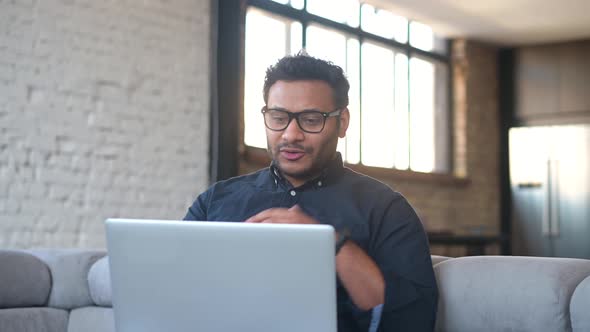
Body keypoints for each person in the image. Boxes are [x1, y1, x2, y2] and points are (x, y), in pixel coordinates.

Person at [184, 53, 438, 331]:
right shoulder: (215, 202)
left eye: (312, 119)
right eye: (278, 117)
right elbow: (174, 294)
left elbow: (411, 320)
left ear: (342, 122)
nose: (291, 134)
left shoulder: (387, 210)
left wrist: (330, 243)